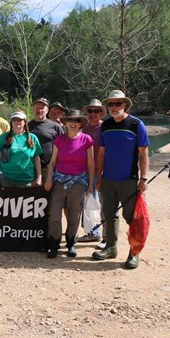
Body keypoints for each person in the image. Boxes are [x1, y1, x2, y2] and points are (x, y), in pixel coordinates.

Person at [93, 90, 150, 269]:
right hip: (108, 179)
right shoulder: (106, 125)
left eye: (118, 103)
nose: (114, 107)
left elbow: (144, 154)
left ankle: (134, 252)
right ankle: (110, 247)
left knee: (131, 216)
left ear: (125, 105)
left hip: (129, 180)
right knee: (109, 215)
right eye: (111, 104)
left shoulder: (136, 125)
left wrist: (143, 179)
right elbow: (101, 154)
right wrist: (99, 177)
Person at [44, 109, 95, 259]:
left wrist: (90, 184)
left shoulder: (87, 140)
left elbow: (91, 165)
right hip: (60, 180)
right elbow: (52, 162)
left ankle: (71, 243)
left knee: (74, 213)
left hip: (79, 181)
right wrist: (48, 178)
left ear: (80, 124)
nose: (73, 123)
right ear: (65, 123)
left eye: (76, 121)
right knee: (54, 213)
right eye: (70, 120)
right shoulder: (59, 140)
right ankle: (54, 244)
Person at [77, 98, 107, 244]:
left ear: (101, 113)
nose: (93, 114)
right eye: (90, 111)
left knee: (104, 204)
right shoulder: (84, 129)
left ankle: (106, 236)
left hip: (103, 171)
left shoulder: (106, 127)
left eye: (96, 111)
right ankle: (92, 232)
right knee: (88, 202)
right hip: (86, 171)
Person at [0, 111, 43, 187]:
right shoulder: (3, 137)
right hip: (6, 179)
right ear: (11, 122)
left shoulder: (33, 138)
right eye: (14, 120)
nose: (17, 122)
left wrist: (39, 177)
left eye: (19, 120)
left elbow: (37, 159)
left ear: (25, 122)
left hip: (26, 180)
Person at [28, 97, 64, 182]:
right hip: (29, 166)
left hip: (49, 167)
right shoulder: (26, 126)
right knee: (30, 193)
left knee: (48, 192)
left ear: (47, 110)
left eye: (42, 108)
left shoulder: (55, 126)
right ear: (33, 110)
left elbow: (63, 146)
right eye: (37, 108)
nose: (39, 110)